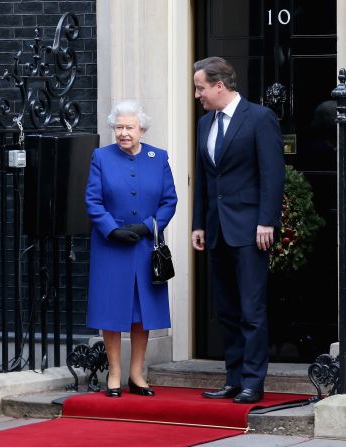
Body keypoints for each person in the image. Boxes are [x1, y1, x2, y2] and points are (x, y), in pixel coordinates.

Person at [191, 57, 285, 404]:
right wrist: (198, 223)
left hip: (250, 229)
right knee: (227, 311)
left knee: (251, 309)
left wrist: (267, 220)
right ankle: (232, 379)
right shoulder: (204, 124)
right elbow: (203, 178)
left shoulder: (260, 118)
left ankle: (252, 381)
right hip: (216, 229)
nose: (197, 94)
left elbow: (272, 174)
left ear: (220, 85)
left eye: (201, 87)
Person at [85, 101, 178, 398]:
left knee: (142, 311)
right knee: (111, 310)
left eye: (130, 127)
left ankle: (137, 374)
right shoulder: (101, 157)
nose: (124, 133)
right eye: (119, 127)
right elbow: (93, 201)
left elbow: (169, 200)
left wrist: (149, 226)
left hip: (145, 245)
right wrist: (112, 229)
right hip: (111, 245)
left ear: (142, 129)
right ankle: (114, 373)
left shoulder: (158, 157)